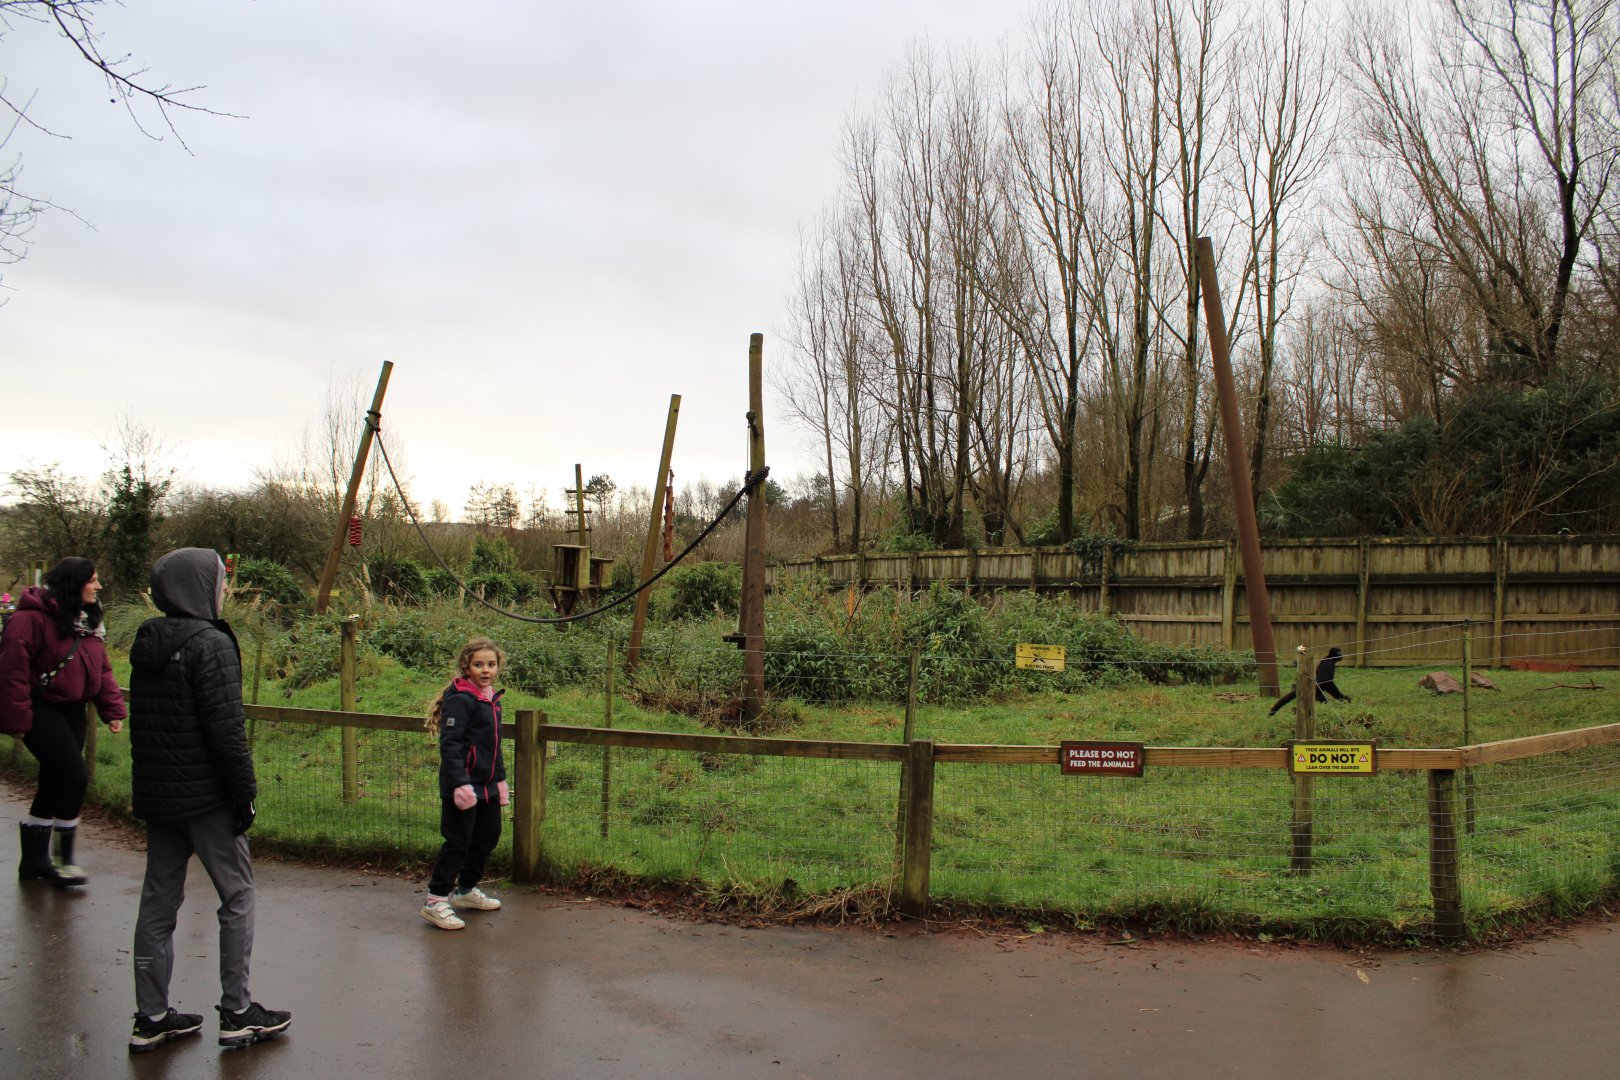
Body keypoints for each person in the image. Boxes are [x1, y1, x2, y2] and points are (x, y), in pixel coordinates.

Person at [126, 548, 290, 1052]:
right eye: (219, 581)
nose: (224, 590)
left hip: (161, 798)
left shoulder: (148, 642)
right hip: (207, 799)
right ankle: (237, 1010)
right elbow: (226, 731)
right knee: (237, 896)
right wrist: (244, 796)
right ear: (199, 585)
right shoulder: (210, 643)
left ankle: (152, 1016)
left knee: (158, 902)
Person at [0, 557, 126, 887]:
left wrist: (112, 710)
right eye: (92, 580)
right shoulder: (29, 619)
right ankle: (63, 860)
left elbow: (101, 668)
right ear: (74, 583)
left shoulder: (89, 619)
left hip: (73, 709)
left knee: (54, 780)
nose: (98, 586)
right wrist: (18, 719)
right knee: (74, 777)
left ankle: (34, 861)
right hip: (40, 707)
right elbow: (12, 672)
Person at [420, 636, 509, 930]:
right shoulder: (461, 699)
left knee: (488, 836)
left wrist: (500, 780)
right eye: (479, 664)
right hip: (462, 785)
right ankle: (435, 901)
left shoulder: (491, 699)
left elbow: (494, 747)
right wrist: (460, 783)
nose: (486, 670)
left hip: (487, 785)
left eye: (491, 664)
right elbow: (451, 745)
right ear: (466, 667)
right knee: (458, 842)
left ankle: (466, 889)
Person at [1269, 646, 1353, 716]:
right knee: (1324, 704)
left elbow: (1327, 684)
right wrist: (1341, 697)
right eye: (1338, 653)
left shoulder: (1327, 661)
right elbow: (1328, 683)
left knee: (1314, 702)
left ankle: (1296, 710)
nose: (1341, 655)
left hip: (1316, 685)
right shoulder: (1328, 663)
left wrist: (1341, 697)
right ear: (1333, 654)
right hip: (1315, 686)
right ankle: (1297, 711)